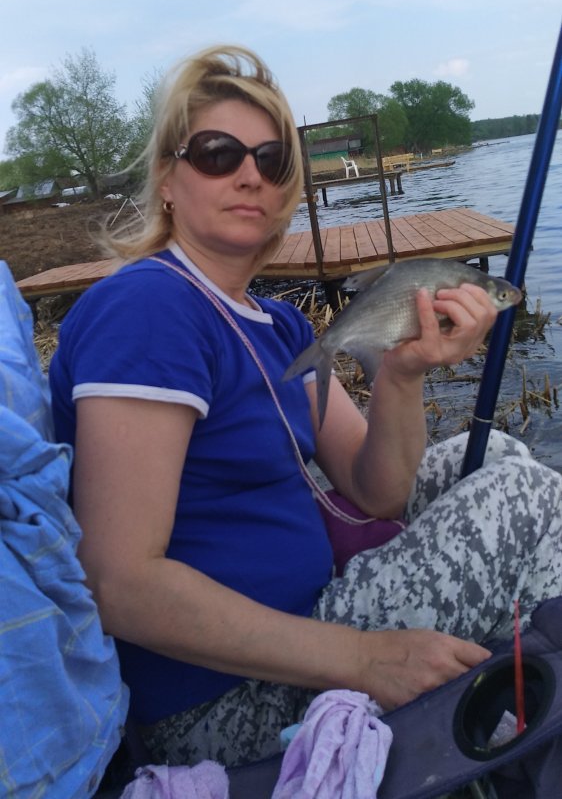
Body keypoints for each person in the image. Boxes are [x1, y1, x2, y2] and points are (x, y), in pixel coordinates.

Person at [49, 45, 562, 770]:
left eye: (272, 159)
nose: (250, 174)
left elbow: (378, 492)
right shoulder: (150, 307)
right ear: (166, 177)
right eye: (218, 153)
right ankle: (526, 728)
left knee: (501, 454)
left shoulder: (281, 325)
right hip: (224, 700)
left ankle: (511, 703)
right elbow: (120, 582)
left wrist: (404, 373)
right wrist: (365, 657)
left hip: (309, 620)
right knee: (526, 498)